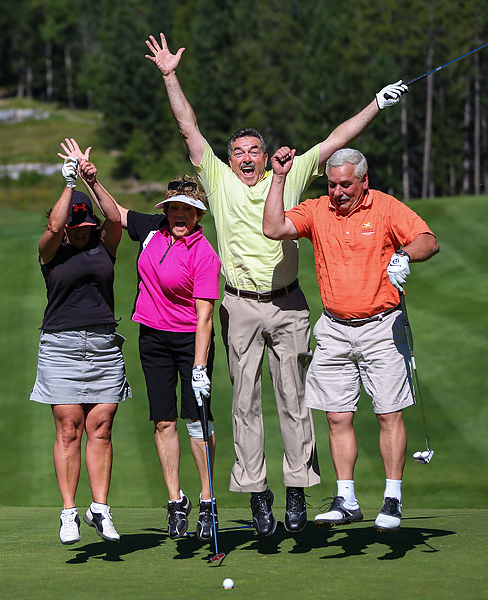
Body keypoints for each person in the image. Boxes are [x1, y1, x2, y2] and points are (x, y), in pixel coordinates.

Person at [145, 31, 409, 535]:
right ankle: (258, 495)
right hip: (239, 305)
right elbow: (187, 127)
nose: (246, 157)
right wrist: (170, 76)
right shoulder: (218, 180)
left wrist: (376, 103)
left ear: (266, 157)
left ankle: (295, 492)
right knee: (244, 404)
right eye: (238, 150)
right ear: (229, 158)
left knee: (294, 400)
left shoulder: (286, 175)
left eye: (254, 150)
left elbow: (337, 140)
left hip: (288, 304)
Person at [262, 146, 439, 532]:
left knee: (388, 412)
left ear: (364, 181)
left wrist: (405, 255)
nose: (338, 192)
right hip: (335, 328)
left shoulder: (386, 208)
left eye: (346, 184)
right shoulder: (316, 210)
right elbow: (273, 228)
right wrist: (277, 178)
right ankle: (347, 498)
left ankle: (392, 497)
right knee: (337, 415)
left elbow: (428, 239)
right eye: (332, 185)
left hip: (382, 325)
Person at [77, 155, 222, 541]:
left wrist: (199, 366)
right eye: (173, 208)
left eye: (186, 210)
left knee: (197, 423)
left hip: (192, 341)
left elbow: (205, 316)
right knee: (163, 421)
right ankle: (176, 501)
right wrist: (91, 180)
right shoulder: (153, 230)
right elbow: (117, 213)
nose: (178, 215)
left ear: (197, 215)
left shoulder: (205, 254)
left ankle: (207, 500)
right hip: (153, 338)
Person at [29, 139, 131, 545]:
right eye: (78, 228)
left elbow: (116, 220)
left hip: (104, 345)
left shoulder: (104, 245)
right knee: (69, 428)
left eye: (87, 227)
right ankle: (69, 512)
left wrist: (92, 179)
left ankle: (101, 510)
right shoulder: (52, 252)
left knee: (101, 427)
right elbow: (53, 228)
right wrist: (68, 184)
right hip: (61, 346)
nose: (84, 232)